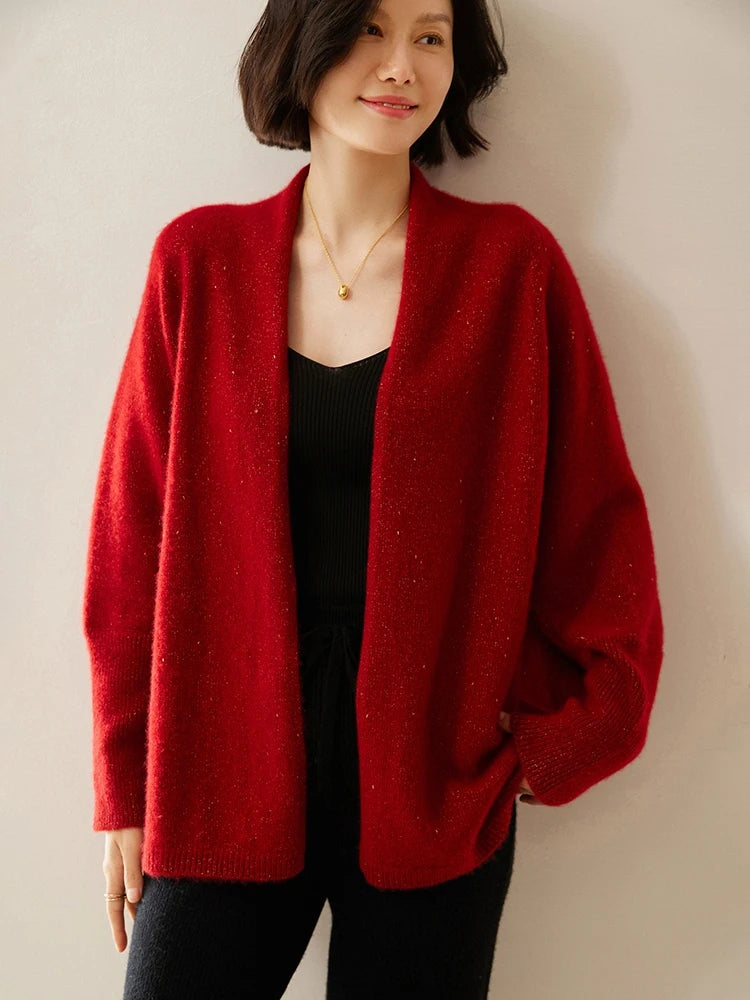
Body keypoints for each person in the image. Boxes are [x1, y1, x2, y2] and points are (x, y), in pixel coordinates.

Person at [83, 0, 664, 996]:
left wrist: (557, 744)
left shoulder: (510, 268)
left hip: (435, 786)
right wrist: (124, 786)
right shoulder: (200, 263)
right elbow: (128, 545)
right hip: (218, 766)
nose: (401, 65)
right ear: (303, 42)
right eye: (368, 29)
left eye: (430, 37)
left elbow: (597, 527)